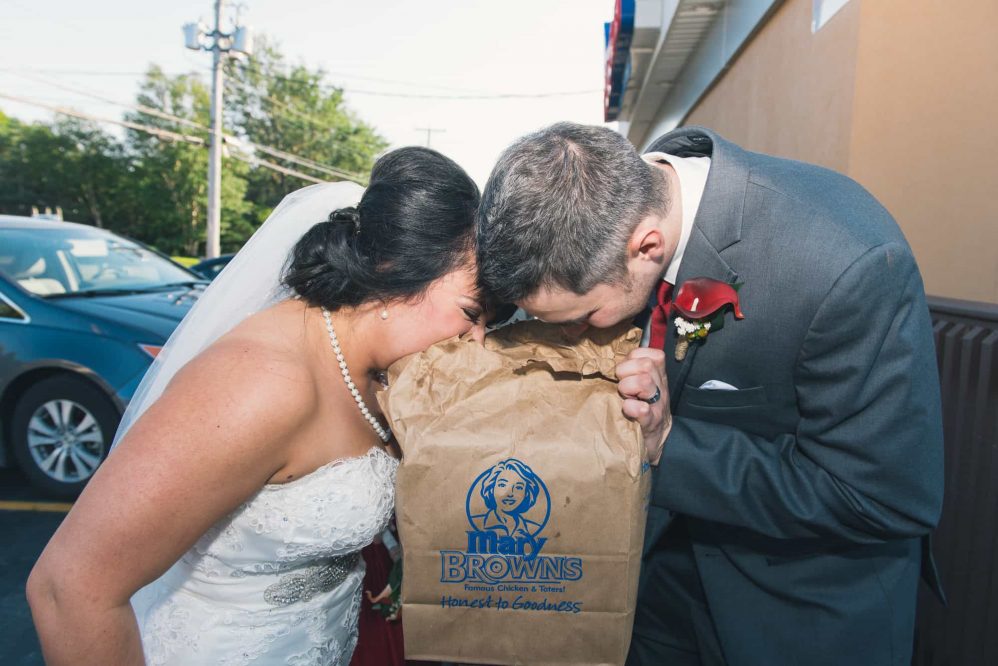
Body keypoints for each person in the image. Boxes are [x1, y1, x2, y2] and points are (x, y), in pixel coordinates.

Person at [475, 123, 945, 666]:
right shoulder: (631, 205)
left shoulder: (845, 261)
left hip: (789, 617)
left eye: (582, 318)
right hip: (647, 596)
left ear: (646, 246)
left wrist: (670, 443)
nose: (574, 334)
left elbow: (882, 497)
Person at [27, 146, 485, 666]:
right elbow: (69, 590)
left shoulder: (382, 369)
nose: (478, 340)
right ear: (391, 269)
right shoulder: (259, 383)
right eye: (470, 313)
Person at [471, 458, 543, 538]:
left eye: (518, 487)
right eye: (502, 485)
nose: (509, 493)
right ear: (491, 489)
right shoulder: (475, 522)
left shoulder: (534, 528)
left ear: (527, 493)